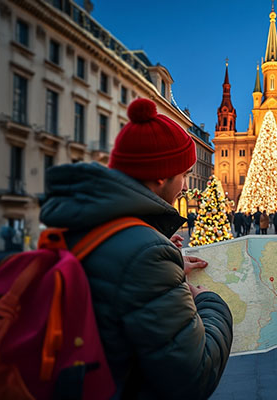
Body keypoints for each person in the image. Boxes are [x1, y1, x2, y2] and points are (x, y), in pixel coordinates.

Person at [39, 98, 233, 399]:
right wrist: (212, 301)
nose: (184, 186)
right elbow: (194, 377)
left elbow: (113, 288)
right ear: (160, 175)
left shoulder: (84, 223)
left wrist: (163, 270)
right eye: (182, 174)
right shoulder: (147, 252)